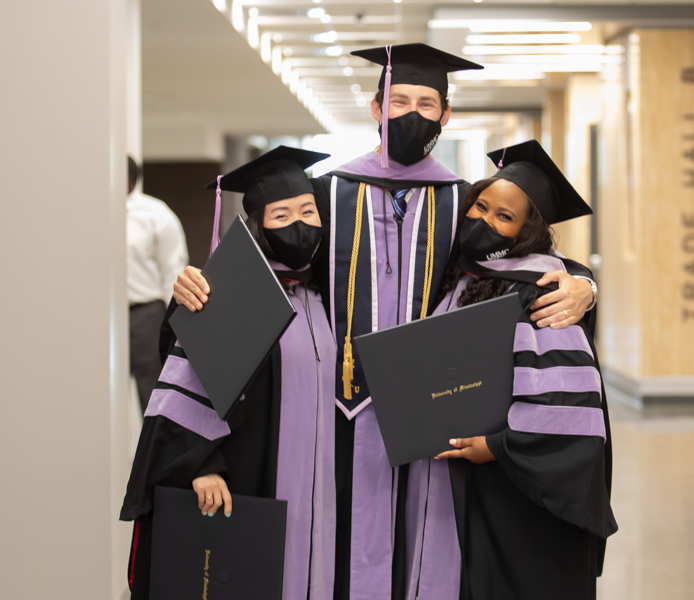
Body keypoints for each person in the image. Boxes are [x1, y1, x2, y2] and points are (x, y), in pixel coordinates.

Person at [173, 44, 598, 600]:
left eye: (427, 103)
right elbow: (260, 267)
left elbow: (524, 263)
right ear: (376, 108)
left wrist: (584, 284)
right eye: (399, 101)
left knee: (426, 561)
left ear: (447, 116)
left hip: (431, 419)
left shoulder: (462, 204)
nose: (413, 114)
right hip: (328, 420)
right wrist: (193, 287)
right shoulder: (323, 196)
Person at [121, 147, 338, 600]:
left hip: (320, 487)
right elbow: (188, 387)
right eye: (281, 214)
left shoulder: (330, 295)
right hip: (250, 476)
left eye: (308, 211)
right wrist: (201, 466)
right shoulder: (235, 292)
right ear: (257, 224)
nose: (298, 224)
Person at [407, 140, 617, 600]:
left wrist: (500, 447)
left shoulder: (544, 292)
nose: (484, 221)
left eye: (504, 216)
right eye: (480, 206)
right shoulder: (458, 273)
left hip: (517, 496)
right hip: (459, 482)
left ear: (526, 232)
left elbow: (568, 414)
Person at [127, 155, 189, 413]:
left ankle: (153, 451)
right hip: (100, 317)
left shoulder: (155, 214)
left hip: (146, 316)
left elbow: (173, 270)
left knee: (151, 394)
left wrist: (174, 324)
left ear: (131, 179)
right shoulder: (89, 213)